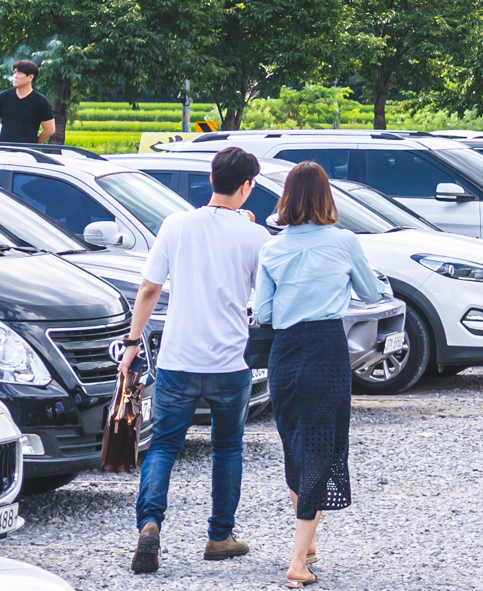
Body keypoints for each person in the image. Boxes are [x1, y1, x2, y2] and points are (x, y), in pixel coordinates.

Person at [127, 146, 271, 574]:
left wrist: (132, 343)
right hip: (229, 363)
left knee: (163, 447)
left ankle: (150, 525)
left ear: (211, 179)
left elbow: (149, 289)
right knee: (227, 449)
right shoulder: (256, 236)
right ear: (246, 186)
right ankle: (219, 536)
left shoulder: (176, 224)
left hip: (178, 358)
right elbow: (264, 300)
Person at [253, 162, 385, 588]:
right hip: (326, 348)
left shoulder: (272, 249)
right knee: (323, 447)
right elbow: (370, 292)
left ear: (287, 198)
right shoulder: (344, 241)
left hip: (286, 351)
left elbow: (263, 312)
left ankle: (307, 543)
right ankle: (297, 560)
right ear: (327, 196)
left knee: (295, 443)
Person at [0, 59, 53, 145]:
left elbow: (50, 129)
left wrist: (34, 143)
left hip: (26, 151)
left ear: (30, 77)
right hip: (4, 149)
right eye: (14, 73)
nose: (15, 76)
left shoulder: (40, 101)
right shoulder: (3, 97)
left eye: (19, 73)